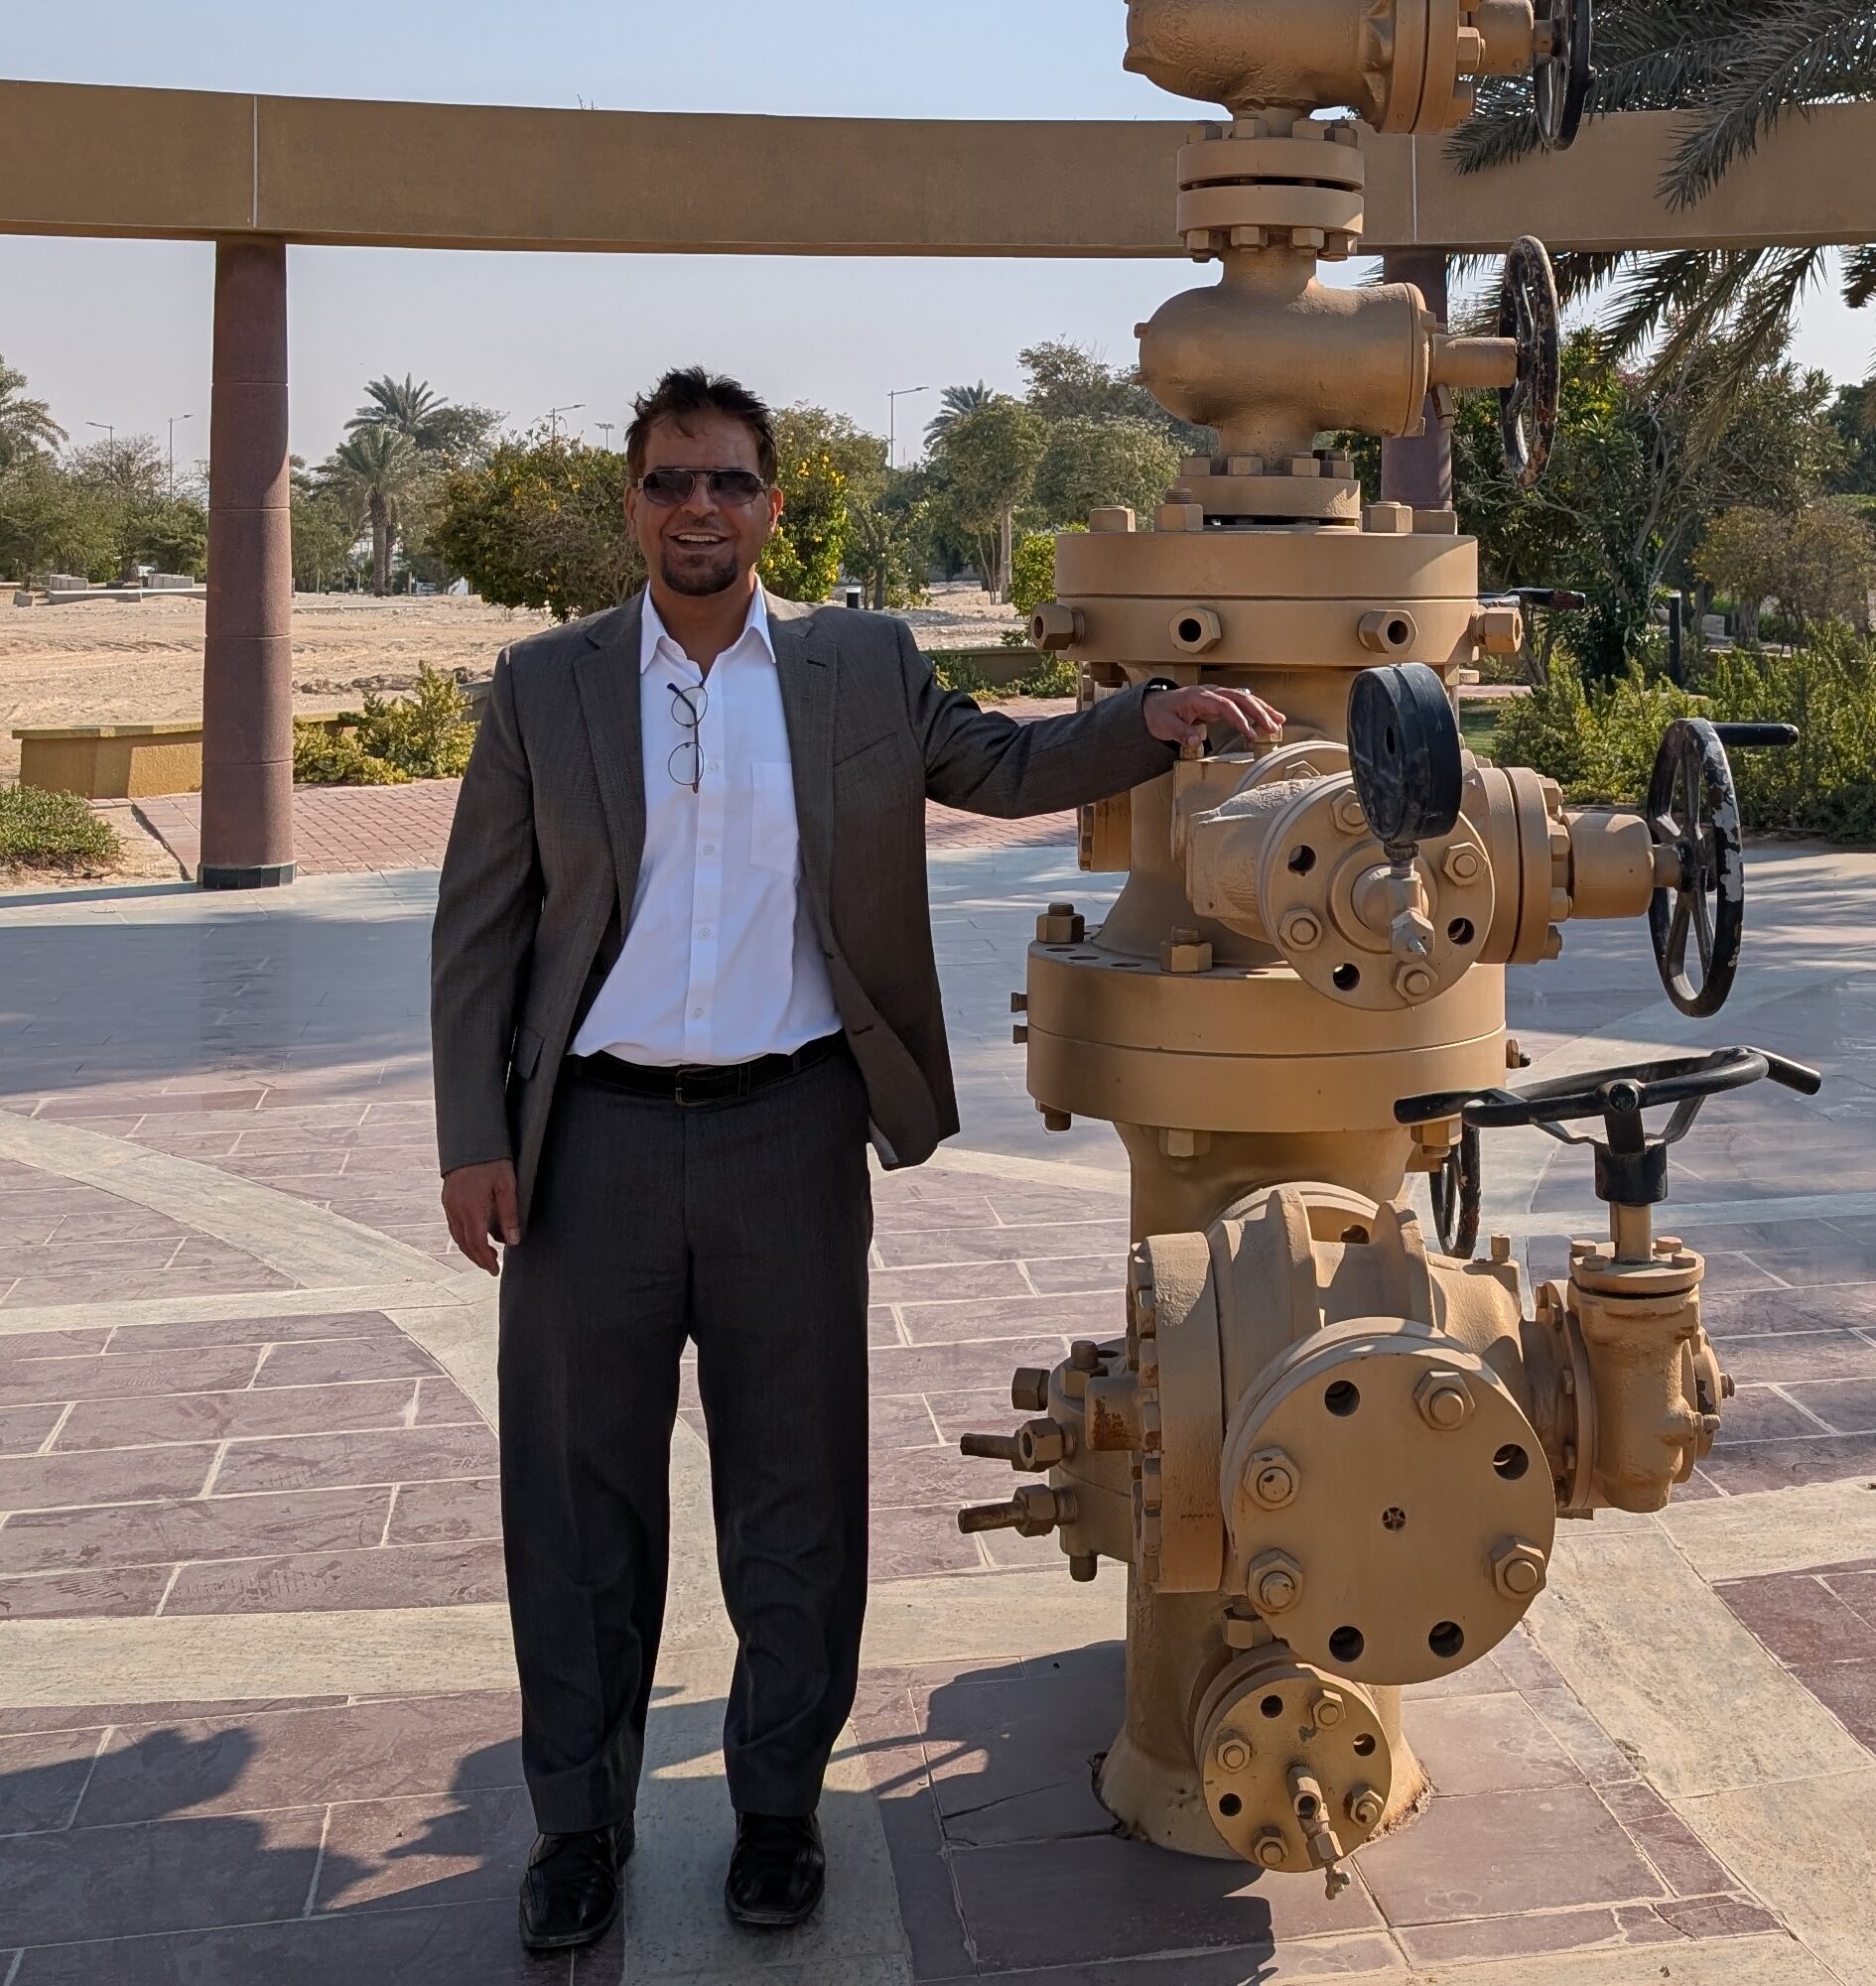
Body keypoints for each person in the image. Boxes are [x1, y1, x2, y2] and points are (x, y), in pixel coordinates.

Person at [430, 367, 1280, 1955]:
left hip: (788, 1134)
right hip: (589, 1150)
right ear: (634, 503)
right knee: (571, 1500)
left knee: (795, 1496)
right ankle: (576, 1824)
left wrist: (1147, 721)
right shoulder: (542, 684)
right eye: (672, 482)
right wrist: (474, 1139)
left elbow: (1001, 765)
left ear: (771, 504)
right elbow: (479, 929)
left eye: (731, 483)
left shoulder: (854, 664)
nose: (701, 509)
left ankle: (774, 1811)